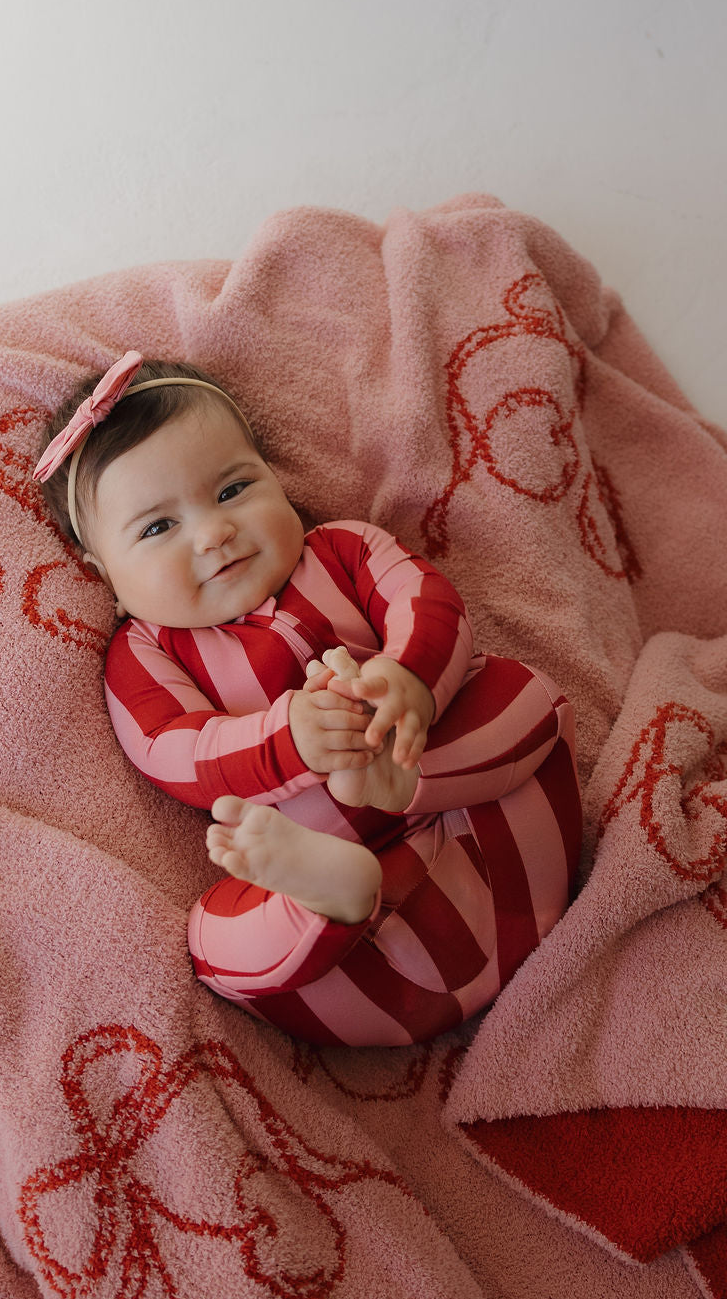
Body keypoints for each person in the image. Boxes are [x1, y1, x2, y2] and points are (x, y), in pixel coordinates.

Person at [34, 352, 582, 1046]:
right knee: (210, 941)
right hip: (361, 976)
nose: (213, 533)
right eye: (157, 528)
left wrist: (406, 681)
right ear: (102, 574)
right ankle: (329, 895)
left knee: (521, 692)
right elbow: (172, 751)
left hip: (494, 834)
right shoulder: (145, 654)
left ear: (272, 475)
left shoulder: (343, 551)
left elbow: (428, 605)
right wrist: (287, 737)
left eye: (233, 489)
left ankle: (401, 778)